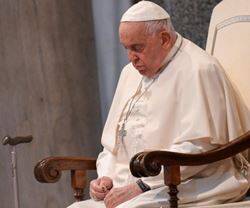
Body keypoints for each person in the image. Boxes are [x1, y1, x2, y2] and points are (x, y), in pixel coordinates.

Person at [68, 1, 250, 208]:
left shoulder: (199, 69)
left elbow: (200, 146)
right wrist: (106, 177)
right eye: (126, 48)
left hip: (193, 181)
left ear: (164, 39)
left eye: (137, 48)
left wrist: (143, 185)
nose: (131, 58)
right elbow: (114, 143)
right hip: (135, 184)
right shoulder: (129, 73)